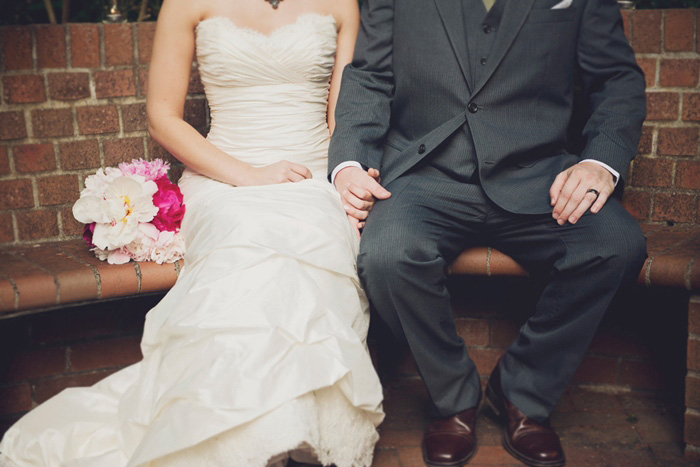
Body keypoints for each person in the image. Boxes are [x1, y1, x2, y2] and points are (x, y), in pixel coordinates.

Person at [0, 0, 384, 465]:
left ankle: (301, 432)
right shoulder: (185, 3)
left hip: (315, 174)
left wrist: (345, 175)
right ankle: (239, 431)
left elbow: (346, 116)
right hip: (225, 178)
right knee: (246, 233)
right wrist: (249, 175)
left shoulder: (341, 3)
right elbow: (162, 116)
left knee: (318, 237)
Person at [329, 0, 647, 466]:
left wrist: (600, 162)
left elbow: (616, 78)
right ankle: (453, 397)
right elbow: (369, 76)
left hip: (538, 174)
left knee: (615, 245)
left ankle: (523, 391)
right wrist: (348, 164)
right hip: (425, 170)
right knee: (387, 254)